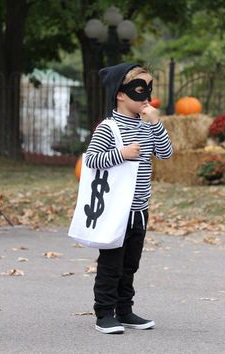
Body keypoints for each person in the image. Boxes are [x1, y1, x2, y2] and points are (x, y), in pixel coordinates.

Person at [85, 62, 173, 334]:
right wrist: (120, 154)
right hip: (115, 209)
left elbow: (166, 153)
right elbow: (90, 159)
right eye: (139, 89)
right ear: (120, 94)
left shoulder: (146, 127)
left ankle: (124, 311)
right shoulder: (108, 128)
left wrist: (156, 122)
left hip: (139, 209)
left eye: (149, 88)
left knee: (130, 264)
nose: (146, 95)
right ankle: (104, 313)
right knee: (112, 263)